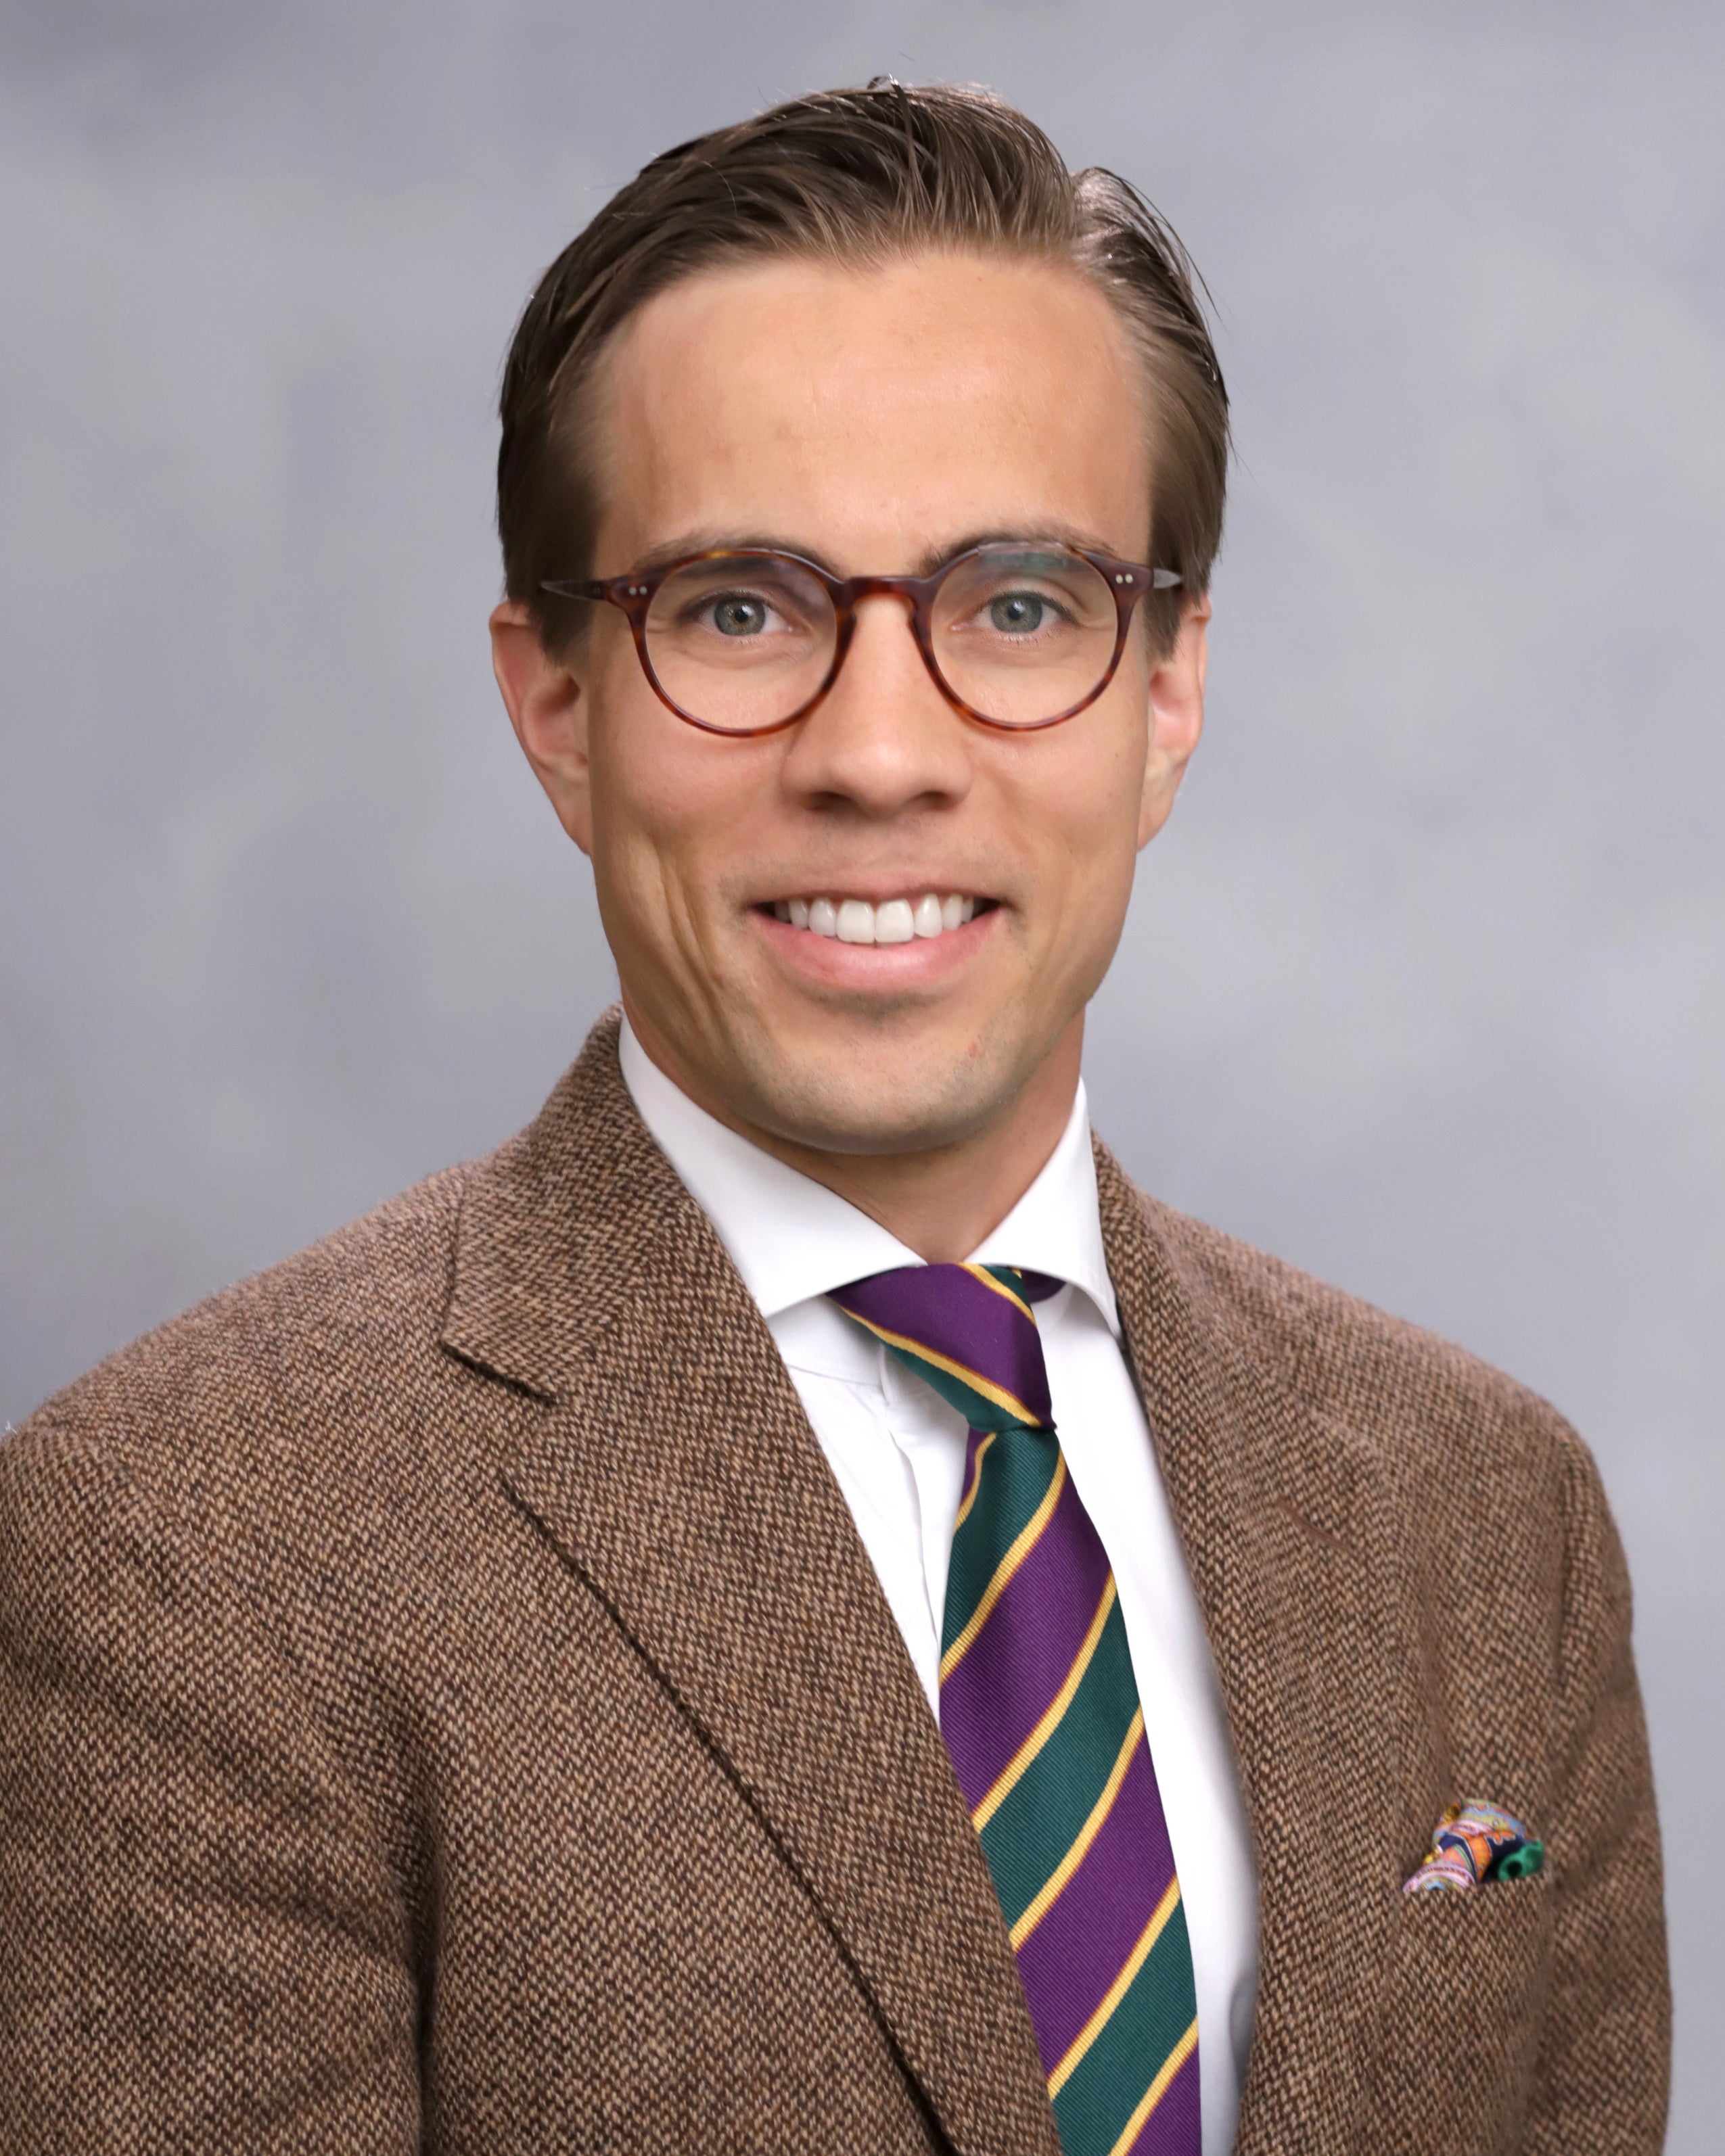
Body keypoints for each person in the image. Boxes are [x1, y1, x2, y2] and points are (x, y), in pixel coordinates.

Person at [0, 80, 1668, 2156]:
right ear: (556, 707)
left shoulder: (1492, 1521)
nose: (880, 753)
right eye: (739, 608)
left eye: (1022, 605)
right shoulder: (189, 1546)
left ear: (1167, 694)